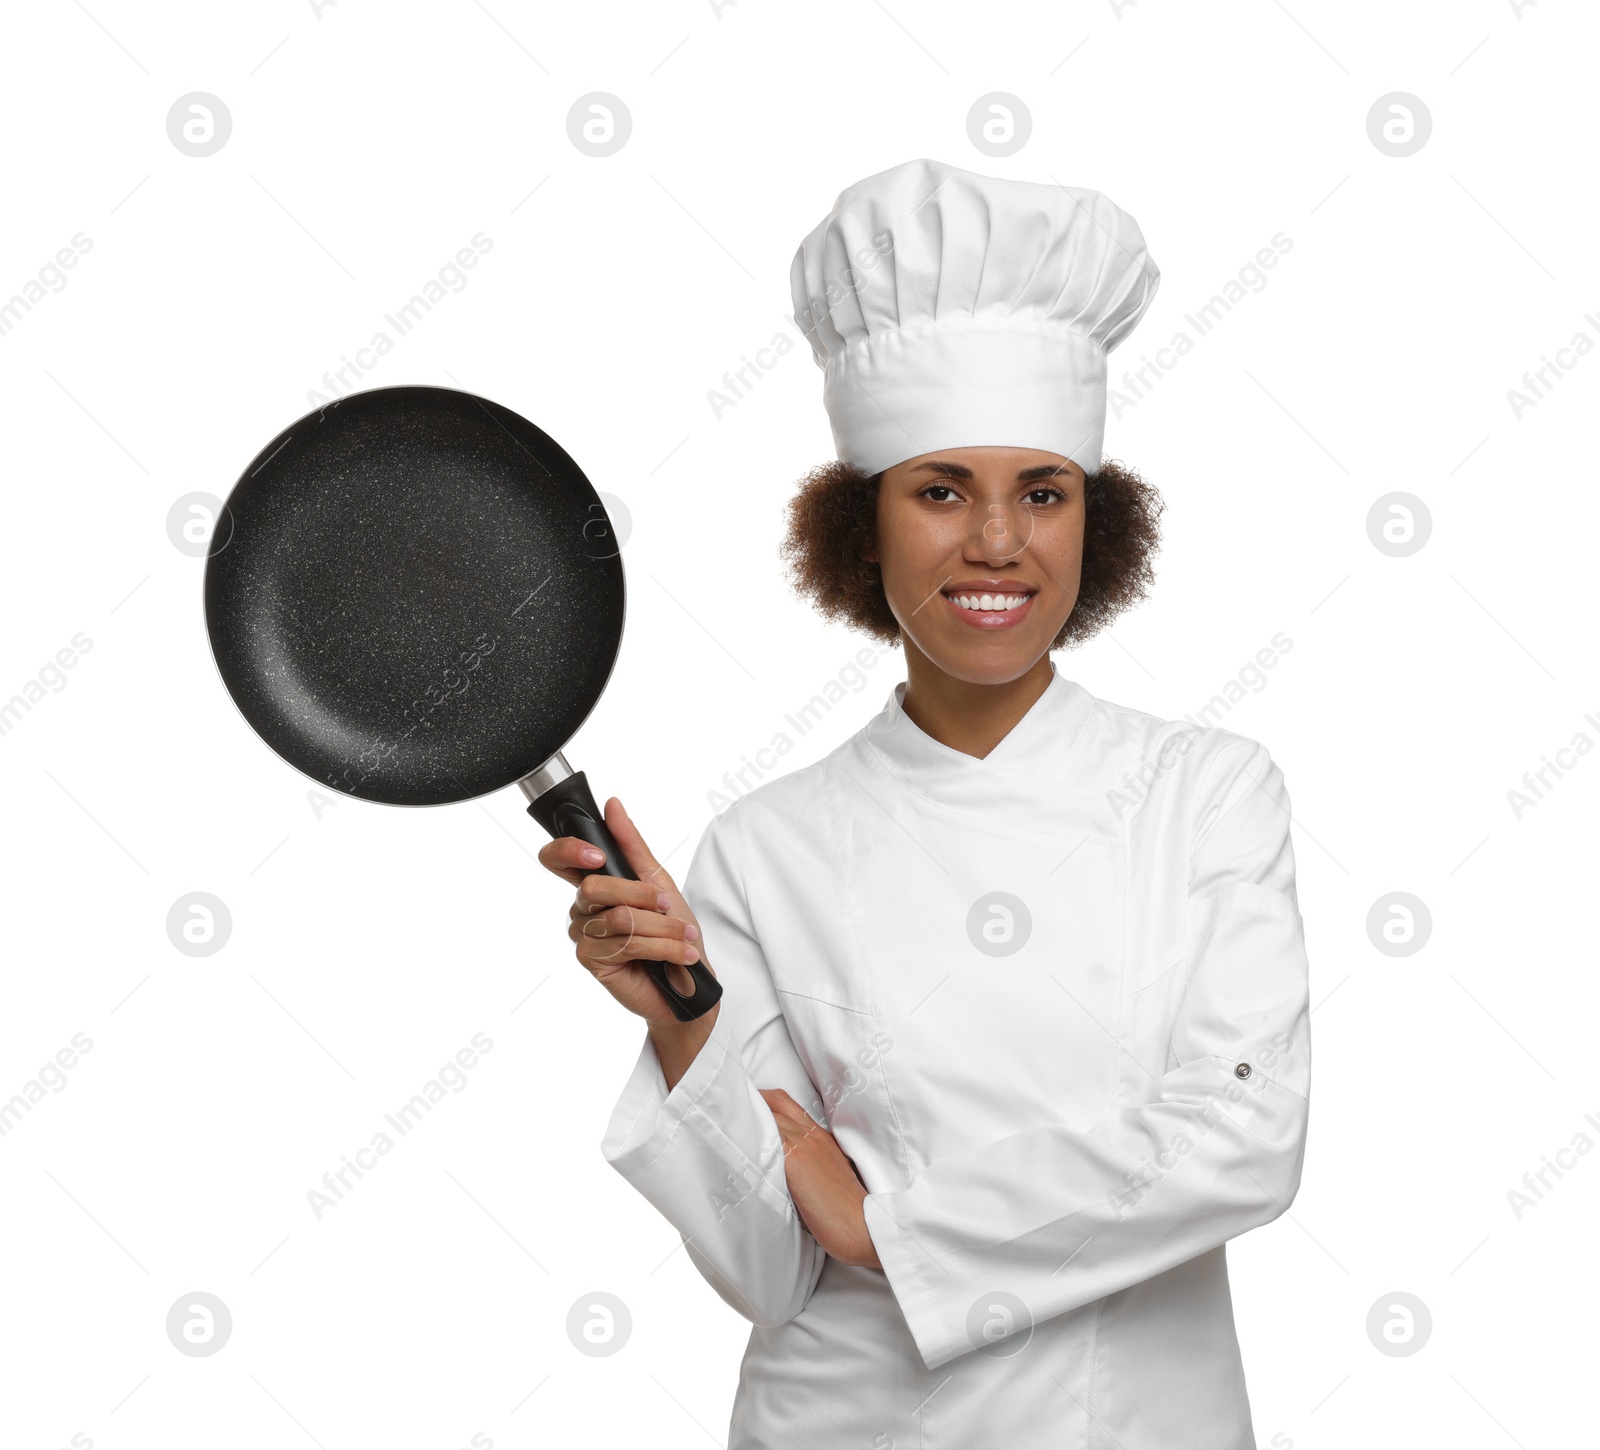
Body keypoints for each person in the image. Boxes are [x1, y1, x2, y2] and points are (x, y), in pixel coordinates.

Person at [538, 157, 1311, 1449]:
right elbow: (769, 1266)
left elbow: (1244, 1134)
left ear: (1095, 521)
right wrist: (688, 1024)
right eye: (941, 489)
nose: (998, 541)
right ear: (865, 524)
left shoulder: (1208, 796)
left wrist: (880, 1220)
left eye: (1044, 491)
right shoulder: (767, 845)